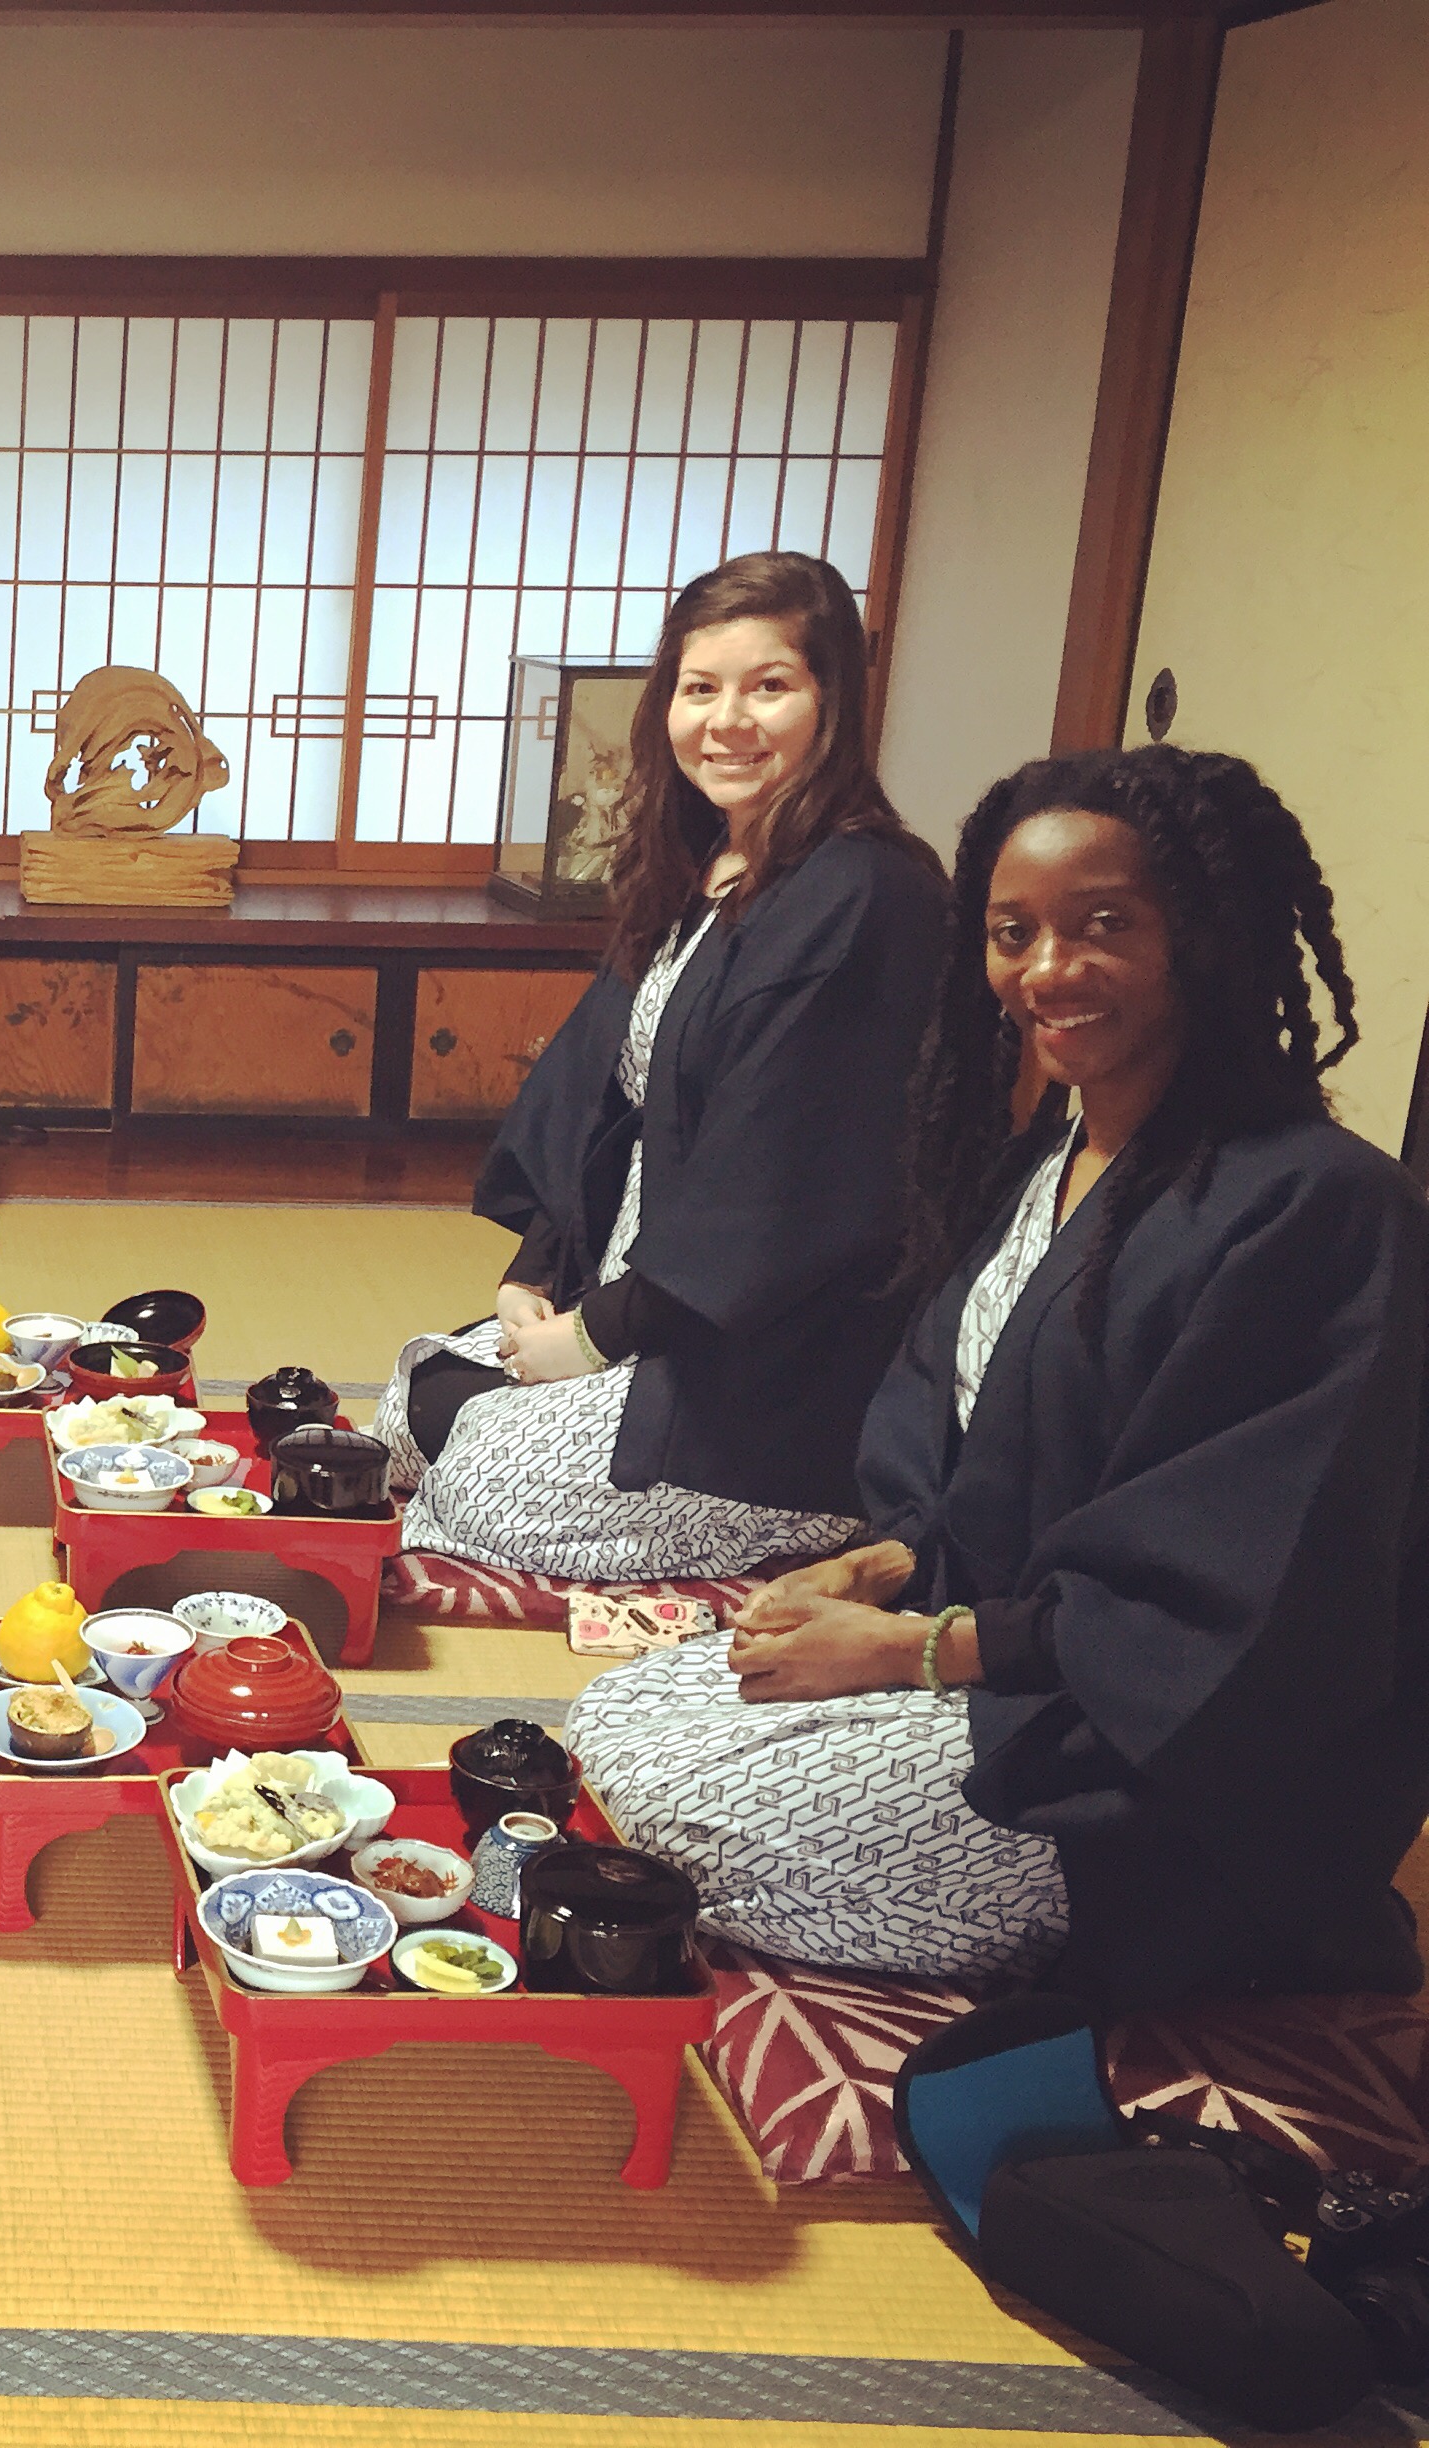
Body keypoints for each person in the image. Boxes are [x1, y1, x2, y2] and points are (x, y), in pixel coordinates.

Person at [571, 745, 1429, 2006]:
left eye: (1105, 925)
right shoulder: (1054, 1157)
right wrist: (877, 1566)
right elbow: (961, 1439)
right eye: (1012, 933)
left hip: (1156, 1772)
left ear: (1203, 934)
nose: (1047, 972)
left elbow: (1239, 1603)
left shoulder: (1321, 1209)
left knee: (682, 1815)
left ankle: (1208, 1946)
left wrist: (913, 1653)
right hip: (1003, 1661)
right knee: (617, 1721)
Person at [374, 553, 950, 1578]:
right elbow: (602, 1098)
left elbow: (780, 1191)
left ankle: (795, 1523)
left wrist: (596, 1335)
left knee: (477, 1477)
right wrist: (539, 1269)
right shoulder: (707, 865)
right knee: (412, 1398)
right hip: (639, 1288)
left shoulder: (865, 895)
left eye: (769, 686)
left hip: (765, 1362)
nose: (728, 721)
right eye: (700, 688)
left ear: (833, 700)